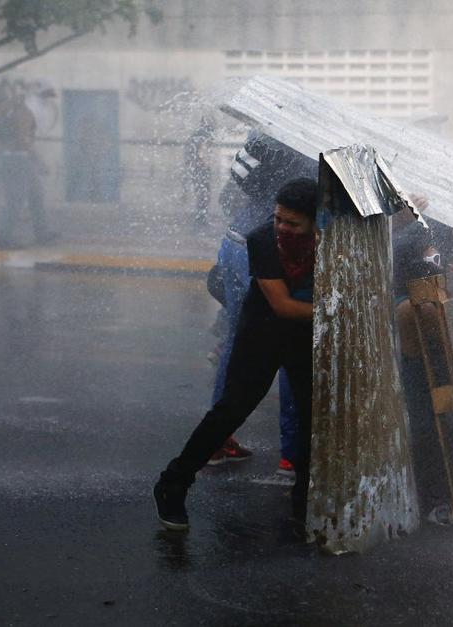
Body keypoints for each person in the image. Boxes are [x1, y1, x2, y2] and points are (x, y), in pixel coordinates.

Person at [154, 179, 318, 532]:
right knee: (231, 411)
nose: (282, 228)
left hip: (303, 335)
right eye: (278, 219)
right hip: (262, 331)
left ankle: (305, 502)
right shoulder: (261, 240)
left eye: (292, 223)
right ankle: (173, 483)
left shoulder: (328, 239)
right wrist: (337, 311)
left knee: (309, 417)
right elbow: (283, 306)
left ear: (314, 222)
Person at [210, 133, 318, 476]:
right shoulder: (305, 149)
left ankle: (217, 439)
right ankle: (293, 452)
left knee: (238, 340)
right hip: (267, 247)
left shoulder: (269, 140)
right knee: (292, 342)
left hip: (235, 240)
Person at [0, 93, 57, 248]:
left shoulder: (12, 114)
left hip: (16, 159)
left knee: (36, 195)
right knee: (16, 201)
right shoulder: (23, 113)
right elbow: (23, 139)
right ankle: (4, 237)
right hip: (18, 160)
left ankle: (41, 232)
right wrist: (39, 160)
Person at [184, 116, 214, 225]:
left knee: (203, 193)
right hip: (200, 168)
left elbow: (191, 153)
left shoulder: (198, 136)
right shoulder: (201, 136)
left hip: (199, 168)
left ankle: (201, 217)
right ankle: (201, 218)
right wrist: (202, 163)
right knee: (203, 194)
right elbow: (200, 153)